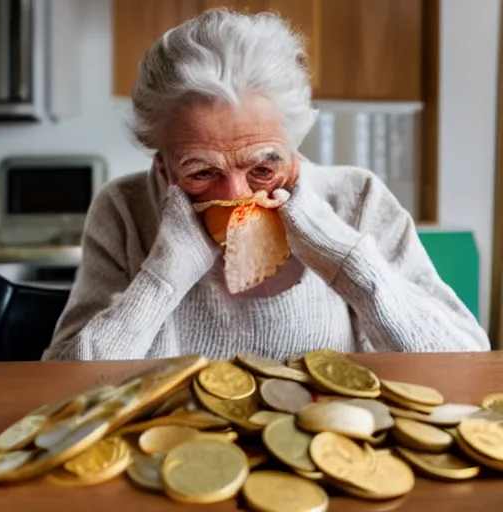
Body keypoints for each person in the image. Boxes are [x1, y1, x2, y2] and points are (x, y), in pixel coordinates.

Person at [42, 8, 490, 361]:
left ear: (294, 145)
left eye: (263, 166)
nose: (237, 196)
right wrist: (163, 276)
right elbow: (61, 387)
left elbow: (469, 363)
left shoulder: (358, 200)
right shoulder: (123, 209)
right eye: (201, 171)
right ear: (163, 166)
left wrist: (342, 257)